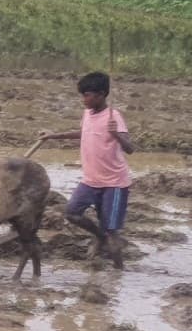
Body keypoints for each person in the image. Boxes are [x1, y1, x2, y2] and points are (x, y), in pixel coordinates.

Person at [36, 71, 133, 269]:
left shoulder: (114, 117)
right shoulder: (88, 113)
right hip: (90, 181)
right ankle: (99, 236)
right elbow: (83, 132)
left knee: (112, 230)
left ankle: (118, 272)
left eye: (88, 95)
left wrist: (116, 135)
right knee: (72, 213)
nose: (84, 100)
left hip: (114, 184)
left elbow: (130, 148)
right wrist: (54, 136)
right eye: (83, 95)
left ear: (102, 94)